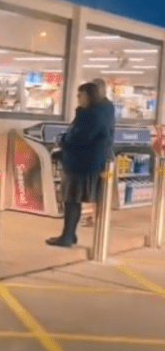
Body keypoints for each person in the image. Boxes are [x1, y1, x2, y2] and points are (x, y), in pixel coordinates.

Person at [46, 82, 113, 247]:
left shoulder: (91, 115)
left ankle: (68, 236)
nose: (78, 99)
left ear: (89, 96)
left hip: (80, 163)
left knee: (71, 199)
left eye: (80, 95)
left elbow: (79, 138)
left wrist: (62, 140)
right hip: (92, 161)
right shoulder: (105, 110)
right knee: (74, 199)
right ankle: (70, 234)